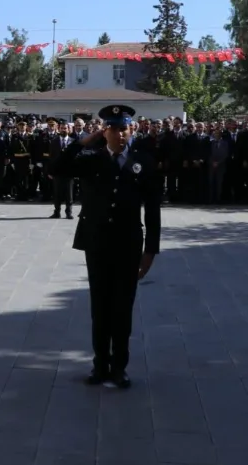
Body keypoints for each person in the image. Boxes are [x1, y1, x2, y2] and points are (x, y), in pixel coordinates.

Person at [51, 104, 161, 389]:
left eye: (124, 128)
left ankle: (119, 367)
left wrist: (150, 251)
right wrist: (83, 141)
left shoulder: (143, 161)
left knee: (123, 307)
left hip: (128, 243)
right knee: (100, 306)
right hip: (97, 241)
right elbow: (57, 168)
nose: (120, 134)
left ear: (131, 130)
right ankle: (100, 364)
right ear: (105, 132)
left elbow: (152, 210)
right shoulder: (91, 158)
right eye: (113, 129)